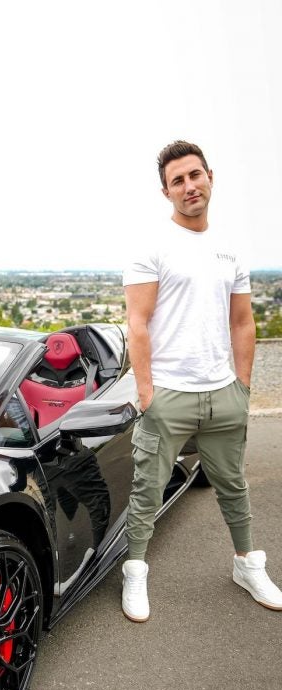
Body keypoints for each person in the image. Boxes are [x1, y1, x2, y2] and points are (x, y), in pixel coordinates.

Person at [121, 139, 282, 622]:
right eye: (178, 181)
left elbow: (242, 322)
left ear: (209, 177)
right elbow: (137, 323)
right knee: (147, 490)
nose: (189, 186)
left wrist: (242, 387)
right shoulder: (152, 247)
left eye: (195, 175)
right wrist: (147, 393)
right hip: (169, 395)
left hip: (222, 393)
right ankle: (135, 570)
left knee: (233, 485)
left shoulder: (229, 250)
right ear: (166, 192)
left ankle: (247, 564)